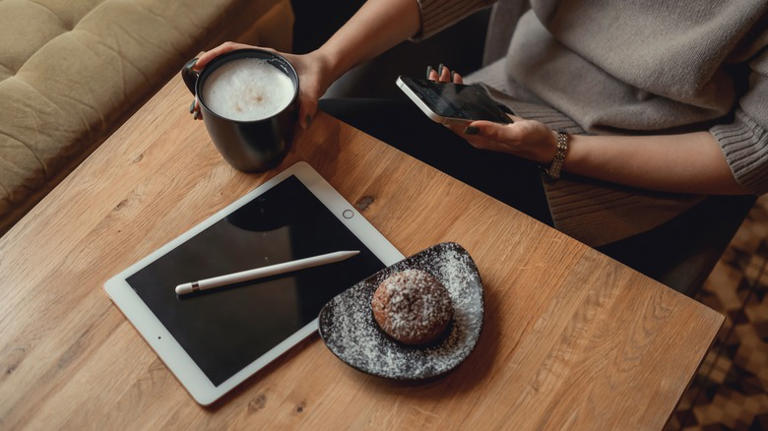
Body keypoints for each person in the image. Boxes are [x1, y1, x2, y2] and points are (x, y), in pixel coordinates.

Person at [192, 0, 768, 247]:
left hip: (623, 167)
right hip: (510, 96)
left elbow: (753, 147)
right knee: (311, 152)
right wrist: (322, 61)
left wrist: (556, 149)